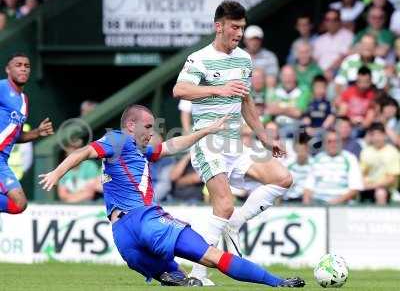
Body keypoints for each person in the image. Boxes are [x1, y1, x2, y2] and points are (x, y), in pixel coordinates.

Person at [38, 104, 305, 288]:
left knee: (179, 276)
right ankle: (276, 282)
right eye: (148, 126)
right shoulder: (119, 140)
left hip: (124, 239)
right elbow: (83, 152)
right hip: (146, 221)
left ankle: (173, 275)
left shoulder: (137, 149)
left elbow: (171, 146)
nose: (152, 132)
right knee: (214, 257)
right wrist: (57, 173)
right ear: (131, 125)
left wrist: (205, 131)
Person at [173, 1, 293, 285]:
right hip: (207, 141)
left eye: (242, 27)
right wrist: (218, 88)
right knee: (223, 206)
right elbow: (179, 89)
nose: (239, 33)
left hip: (234, 144)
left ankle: (236, 223)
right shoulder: (199, 58)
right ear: (219, 26)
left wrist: (265, 138)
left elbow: (246, 101)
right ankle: (198, 274)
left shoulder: (244, 59)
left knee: (283, 178)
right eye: (235, 27)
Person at [0, 53, 54, 214]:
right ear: (8, 69)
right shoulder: (2, 87)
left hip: (3, 160)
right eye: (18, 65)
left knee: (19, 205)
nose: (23, 68)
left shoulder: (24, 100)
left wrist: (37, 132)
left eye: (27, 66)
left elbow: (16, 136)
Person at [303, 129, 363, 204]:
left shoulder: (350, 159)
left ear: (341, 142)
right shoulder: (317, 159)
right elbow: (308, 187)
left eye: (335, 141)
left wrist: (334, 203)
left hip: (342, 205)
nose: (332, 145)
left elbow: (355, 189)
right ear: (324, 143)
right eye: (329, 141)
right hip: (318, 204)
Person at [360, 122, 400, 204]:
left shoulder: (393, 152)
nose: (377, 138)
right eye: (373, 135)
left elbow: (391, 179)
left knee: (380, 193)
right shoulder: (366, 151)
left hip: (388, 190)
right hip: (368, 187)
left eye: (379, 135)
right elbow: (361, 173)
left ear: (385, 136)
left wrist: (372, 186)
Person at [313, 9, 354, 80]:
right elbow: (315, 60)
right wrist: (321, 72)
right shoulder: (320, 40)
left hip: (338, 73)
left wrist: (330, 70)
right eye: (328, 20)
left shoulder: (348, 36)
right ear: (324, 22)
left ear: (339, 21)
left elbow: (344, 57)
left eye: (334, 20)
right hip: (320, 74)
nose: (331, 22)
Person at [57, 139, 102, 203]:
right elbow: (62, 195)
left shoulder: (89, 166)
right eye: (70, 149)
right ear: (66, 153)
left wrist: (70, 200)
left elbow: (89, 194)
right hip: (69, 206)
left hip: (89, 205)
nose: (73, 153)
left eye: (77, 149)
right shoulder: (62, 168)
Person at [338, 66, 377, 135]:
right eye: (360, 82)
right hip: (348, 125)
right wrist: (351, 120)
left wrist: (362, 124)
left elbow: (370, 116)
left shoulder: (372, 96)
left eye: (366, 82)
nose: (362, 85)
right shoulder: (348, 92)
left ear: (370, 82)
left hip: (362, 128)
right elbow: (342, 112)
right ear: (356, 80)